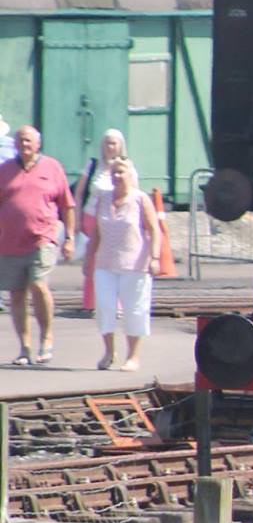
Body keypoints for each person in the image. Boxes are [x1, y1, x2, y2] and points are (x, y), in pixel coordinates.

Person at [0, 125, 75, 366]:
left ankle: (47, 338)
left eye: (29, 141)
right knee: (17, 293)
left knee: (38, 284)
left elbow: (67, 204)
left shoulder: (52, 167)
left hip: (42, 238)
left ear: (38, 144)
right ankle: (25, 347)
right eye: (21, 140)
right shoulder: (5, 170)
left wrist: (70, 237)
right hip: (10, 242)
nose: (24, 145)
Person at [85, 158, 157, 372]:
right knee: (105, 307)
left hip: (134, 263)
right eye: (114, 172)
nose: (117, 176)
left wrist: (153, 257)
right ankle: (109, 352)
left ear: (130, 175)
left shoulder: (140, 199)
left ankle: (133, 356)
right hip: (105, 262)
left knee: (134, 310)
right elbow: (96, 232)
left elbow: (154, 230)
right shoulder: (104, 199)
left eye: (121, 172)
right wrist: (89, 259)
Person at [75, 129, 126, 314]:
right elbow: (79, 192)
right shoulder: (93, 165)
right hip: (91, 216)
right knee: (92, 260)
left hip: (113, 220)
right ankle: (90, 303)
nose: (110, 147)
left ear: (120, 145)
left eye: (114, 143)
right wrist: (77, 219)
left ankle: (116, 305)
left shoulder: (125, 167)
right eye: (107, 143)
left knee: (114, 261)